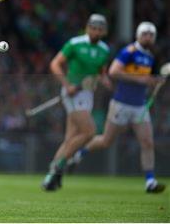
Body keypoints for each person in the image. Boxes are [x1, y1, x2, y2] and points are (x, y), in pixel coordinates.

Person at [67, 22, 166, 193]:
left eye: (151, 35)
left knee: (147, 142)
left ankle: (150, 181)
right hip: (121, 104)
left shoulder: (151, 56)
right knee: (106, 140)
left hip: (140, 106)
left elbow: (147, 79)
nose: (148, 37)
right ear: (138, 35)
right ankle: (79, 152)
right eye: (145, 34)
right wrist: (141, 79)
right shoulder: (129, 52)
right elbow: (114, 71)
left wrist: (155, 81)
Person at [42, 13, 111, 191]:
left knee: (70, 139)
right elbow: (55, 64)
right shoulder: (75, 44)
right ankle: (60, 165)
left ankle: (51, 176)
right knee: (89, 132)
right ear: (88, 28)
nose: (96, 32)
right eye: (93, 28)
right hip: (73, 94)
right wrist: (67, 84)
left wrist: (104, 80)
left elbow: (101, 72)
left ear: (104, 31)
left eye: (99, 29)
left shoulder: (105, 49)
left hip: (88, 95)